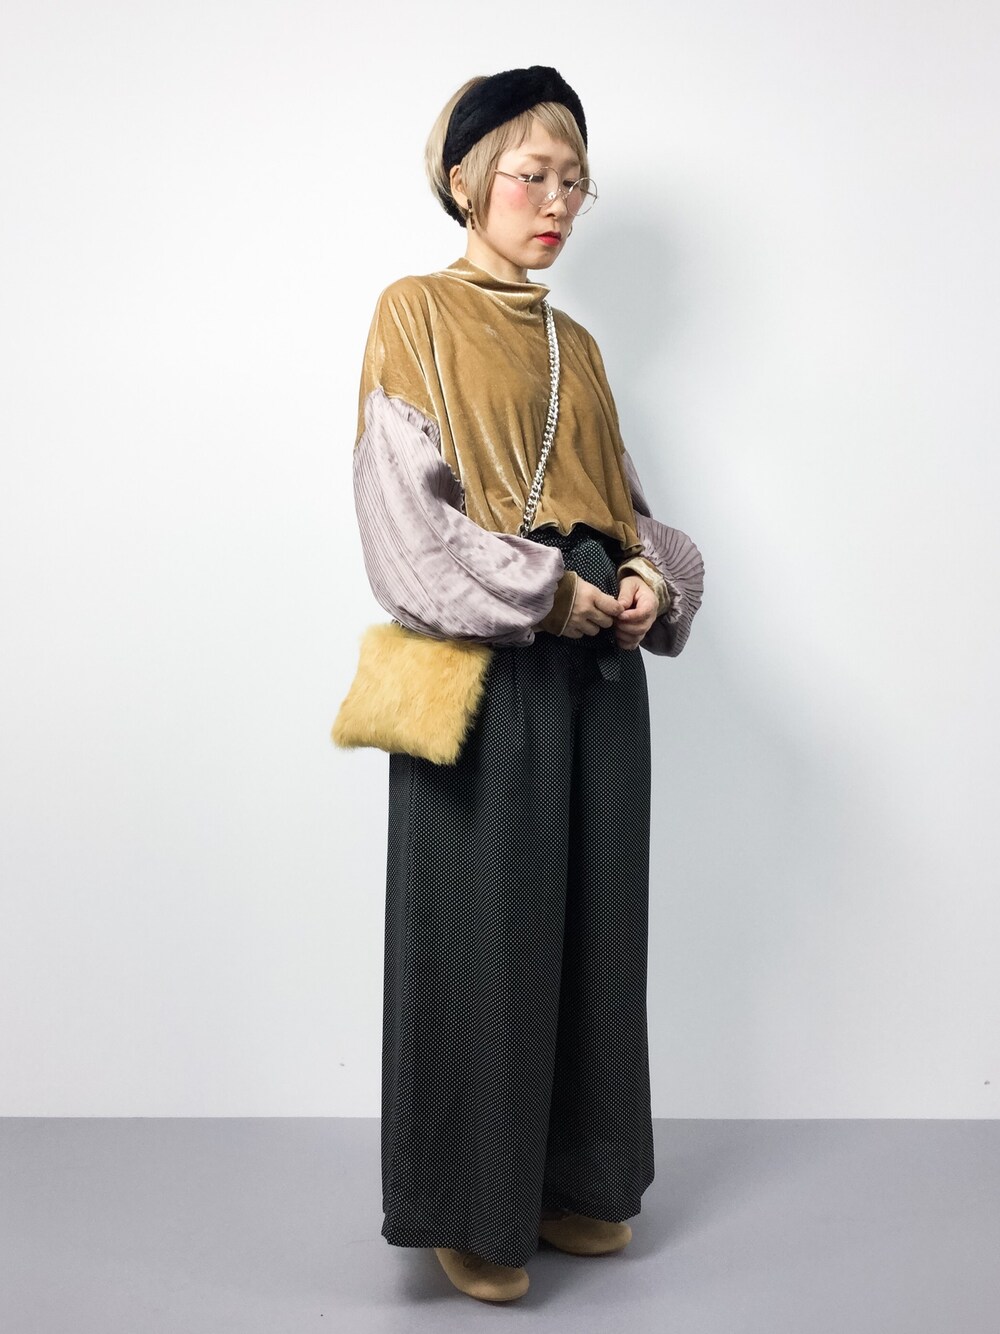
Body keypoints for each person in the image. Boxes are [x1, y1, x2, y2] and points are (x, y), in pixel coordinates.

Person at [350, 64, 705, 1304]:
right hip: (487, 661)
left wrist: (649, 580)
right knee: (481, 927)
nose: (556, 201)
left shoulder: (578, 345)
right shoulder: (413, 312)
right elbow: (405, 527)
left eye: (575, 183)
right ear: (464, 179)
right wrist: (546, 593)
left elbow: (626, 509)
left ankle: (571, 1179)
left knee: (595, 925)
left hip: (597, 663)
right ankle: (472, 1203)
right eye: (531, 175)